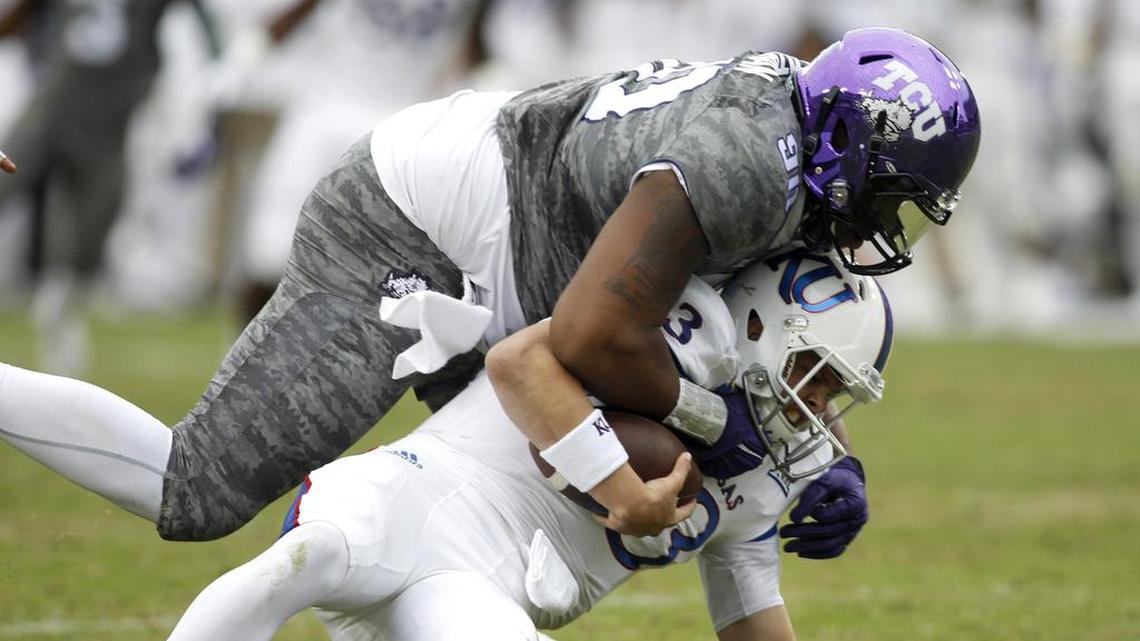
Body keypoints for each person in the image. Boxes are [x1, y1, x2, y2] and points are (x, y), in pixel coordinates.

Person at [0, 27, 979, 544]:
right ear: (850, 142)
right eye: (893, 197)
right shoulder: (750, 161)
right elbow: (595, 336)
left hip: (523, 242)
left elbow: (760, 356)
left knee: (484, 523)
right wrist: (724, 427)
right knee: (196, 487)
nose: (884, 227)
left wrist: (822, 460)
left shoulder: (782, 136)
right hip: (424, 225)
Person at [163, 255, 893, 641]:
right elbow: (521, 362)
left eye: (837, 391)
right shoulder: (680, 326)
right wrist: (619, 485)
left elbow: (752, 615)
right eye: (817, 376)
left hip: (472, 591)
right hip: (413, 496)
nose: (819, 408)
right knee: (306, 558)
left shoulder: (768, 476)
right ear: (759, 327)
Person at [0, 0, 220, 375]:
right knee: (7, 181)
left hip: (109, 125)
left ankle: (61, 315)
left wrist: (218, 78)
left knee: (91, 235)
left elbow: (203, 22)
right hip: (55, 104)